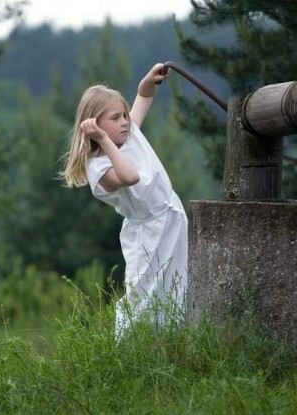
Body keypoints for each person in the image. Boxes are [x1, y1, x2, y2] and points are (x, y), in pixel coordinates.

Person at [60, 63, 188, 339]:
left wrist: (148, 81)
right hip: (149, 234)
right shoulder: (100, 167)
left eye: (124, 116)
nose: (125, 122)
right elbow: (130, 176)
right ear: (95, 126)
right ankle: (128, 348)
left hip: (171, 222)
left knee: (177, 288)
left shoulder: (128, 134)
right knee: (143, 295)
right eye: (116, 118)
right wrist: (104, 141)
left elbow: (143, 98)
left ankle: (172, 343)